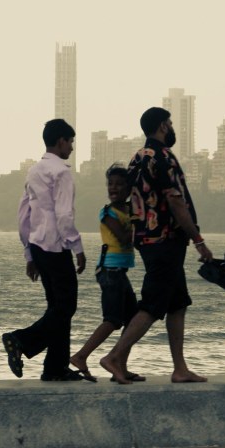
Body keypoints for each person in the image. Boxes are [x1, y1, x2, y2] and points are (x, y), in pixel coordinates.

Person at [100, 107, 213, 384]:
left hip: (147, 239)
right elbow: (175, 201)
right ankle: (114, 356)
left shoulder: (137, 158)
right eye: (170, 123)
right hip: (165, 241)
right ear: (163, 125)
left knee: (177, 303)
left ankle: (180, 368)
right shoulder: (163, 157)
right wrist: (198, 240)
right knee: (152, 304)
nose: (172, 128)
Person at [2, 118, 87, 381]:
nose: (71, 147)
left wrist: (29, 253)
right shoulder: (61, 173)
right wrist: (77, 247)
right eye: (70, 142)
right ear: (61, 141)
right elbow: (64, 215)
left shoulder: (34, 171)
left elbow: (23, 215)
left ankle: (55, 368)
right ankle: (21, 340)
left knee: (57, 307)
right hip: (55, 246)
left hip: (38, 245)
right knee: (66, 307)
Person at [70, 164, 145, 383]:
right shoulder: (108, 213)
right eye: (110, 184)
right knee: (112, 320)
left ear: (128, 189)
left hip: (120, 272)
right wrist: (137, 221)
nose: (114, 188)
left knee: (132, 320)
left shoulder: (130, 210)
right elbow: (123, 237)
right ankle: (81, 356)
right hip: (109, 272)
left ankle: (120, 366)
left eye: (120, 184)